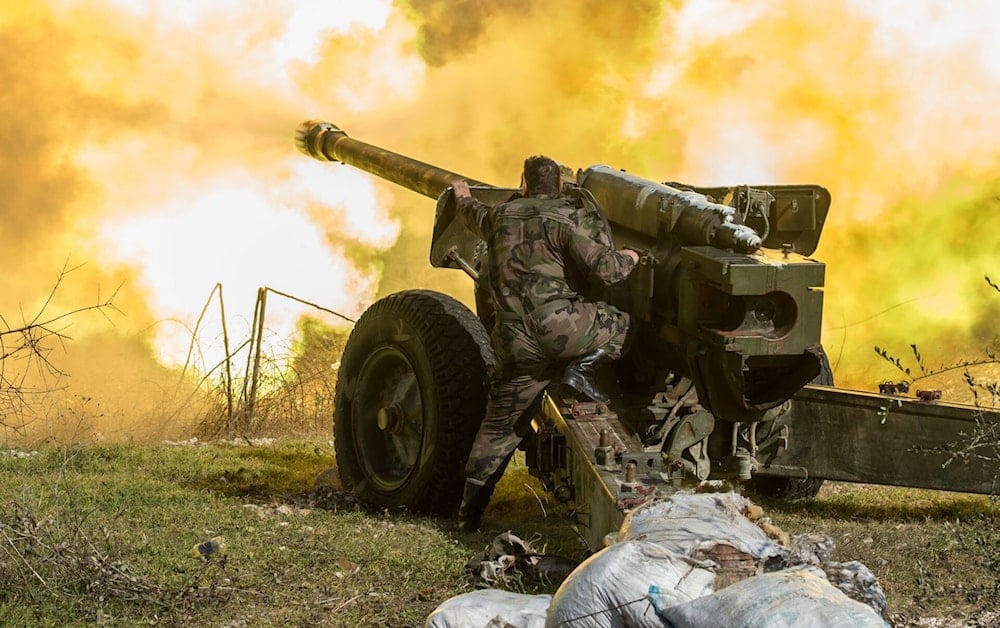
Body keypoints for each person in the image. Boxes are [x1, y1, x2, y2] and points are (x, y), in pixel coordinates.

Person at [451, 155, 640, 531]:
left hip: (514, 342)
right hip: (562, 330)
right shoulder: (565, 219)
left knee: (499, 428)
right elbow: (608, 270)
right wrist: (632, 256)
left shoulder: (499, 217)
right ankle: (580, 372)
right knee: (621, 323)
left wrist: (462, 196)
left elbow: (472, 213)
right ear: (558, 187)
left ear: (523, 184)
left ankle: (468, 515)